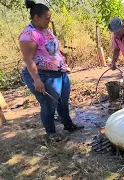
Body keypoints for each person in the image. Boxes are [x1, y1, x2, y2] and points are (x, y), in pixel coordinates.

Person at [19, 0, 83, 142]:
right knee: (49, 104)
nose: (49, 20)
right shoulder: (28, 35)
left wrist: (61, 54)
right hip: (44, 75)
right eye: (47, 18)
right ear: (37, 18)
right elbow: (29, 60)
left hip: (59, 72)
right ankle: (51, 133)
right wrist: (37, 80)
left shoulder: (45, 29)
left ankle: (68, 125)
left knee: (63, 101)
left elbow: (50, 48)